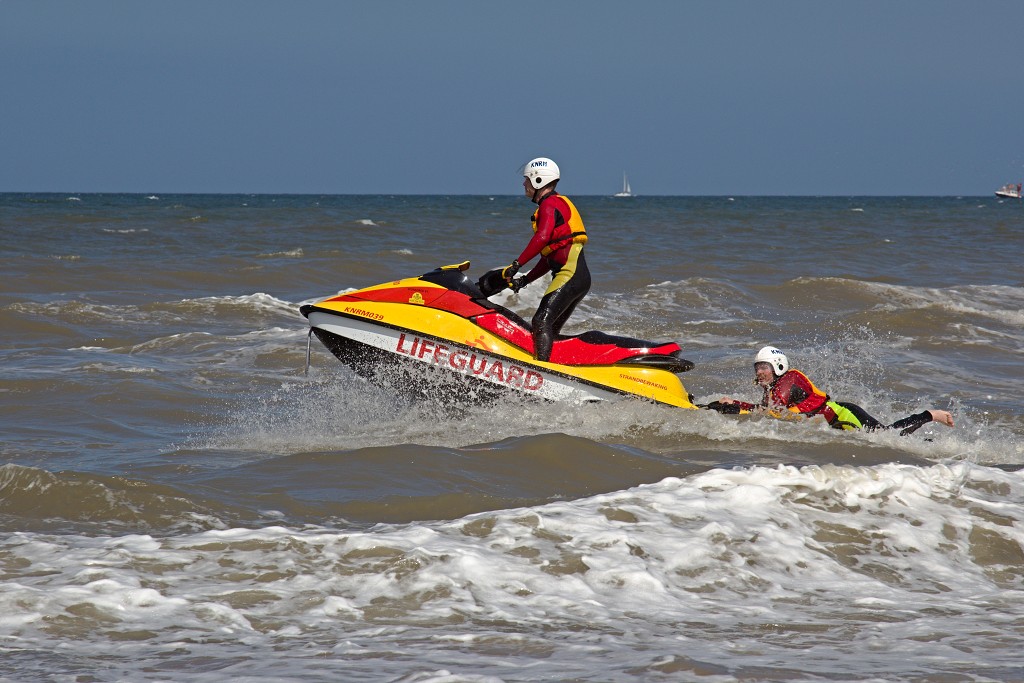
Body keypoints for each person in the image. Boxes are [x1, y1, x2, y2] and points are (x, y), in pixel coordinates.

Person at [481, 157, 591, 362]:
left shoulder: (550, 204)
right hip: (578, 278)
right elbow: (548, 259)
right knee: (550, 328)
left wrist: (517, 264)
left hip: (570, 275)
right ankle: (554, 365)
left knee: (540, 321)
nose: (524, 184)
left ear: (538, 180)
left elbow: (542, 237)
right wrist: (525, 280)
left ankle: (541, 370)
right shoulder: (556, 203)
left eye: (527, 179)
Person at [711, 346, 955, 436]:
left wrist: (737, 406)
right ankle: (927, 440)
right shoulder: (773, 389)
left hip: (845, 415)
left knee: (891, 436)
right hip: (836, 423)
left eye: (764, 367)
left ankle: (930, 415)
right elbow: (769, 411)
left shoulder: (789, 379)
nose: (759, 372)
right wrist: (735, 405)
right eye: (757, 368)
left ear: (778, 366)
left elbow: (772, 413)